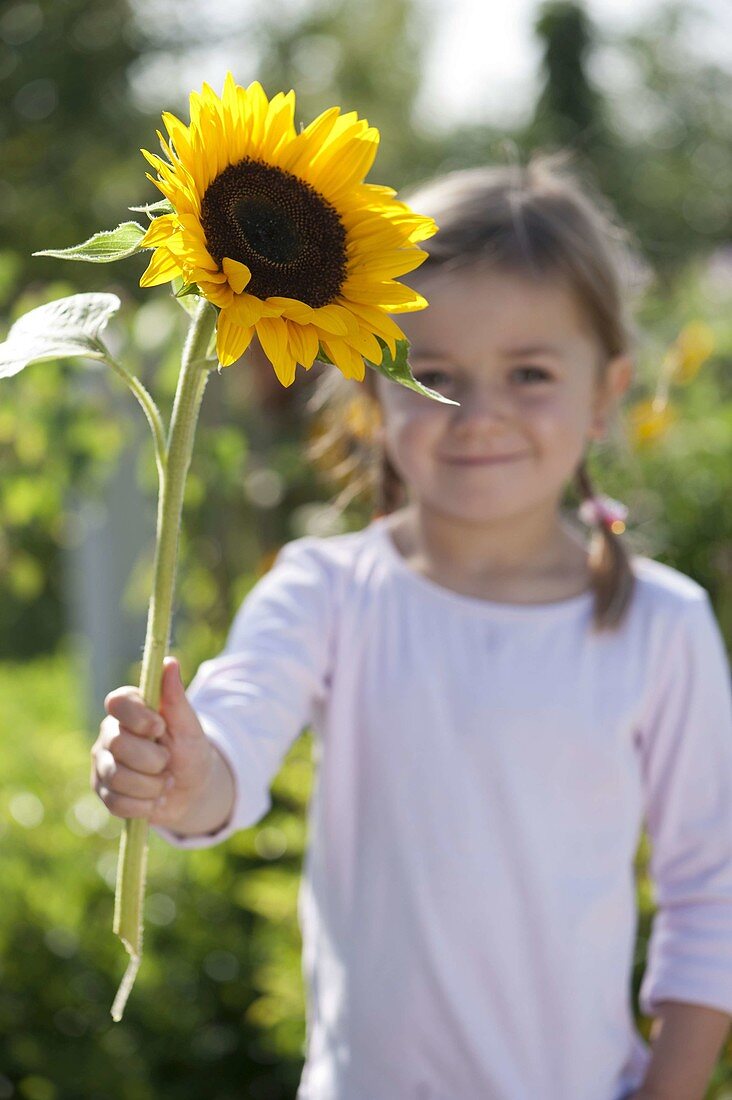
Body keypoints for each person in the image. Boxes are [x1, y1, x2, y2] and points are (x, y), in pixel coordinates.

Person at [91, 153, 732, 1100]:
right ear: (370, 392)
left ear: (607, 392)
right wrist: (182, 777)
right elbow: (233, 736)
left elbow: (711, 894)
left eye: (530, 372)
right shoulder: (327, 593)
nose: (479, 415)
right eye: (433, 373)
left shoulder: (661, 624)